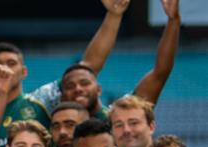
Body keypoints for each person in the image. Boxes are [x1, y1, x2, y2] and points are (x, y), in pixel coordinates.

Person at [0, 0, 131, 147]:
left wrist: (114, 15)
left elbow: (87, 68)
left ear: (24, 71)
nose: (4, 68)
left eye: (11, 63)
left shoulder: (42, 100)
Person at [29, 0, 180, 118]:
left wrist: (173, 21)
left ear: (99, 89)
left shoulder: (117, 122)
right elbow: (88, 66)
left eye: (85, 83)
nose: (78, 89)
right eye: (69, 86)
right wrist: (114, 15)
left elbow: (160, 73)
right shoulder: (54, 125)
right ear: (61, 95)